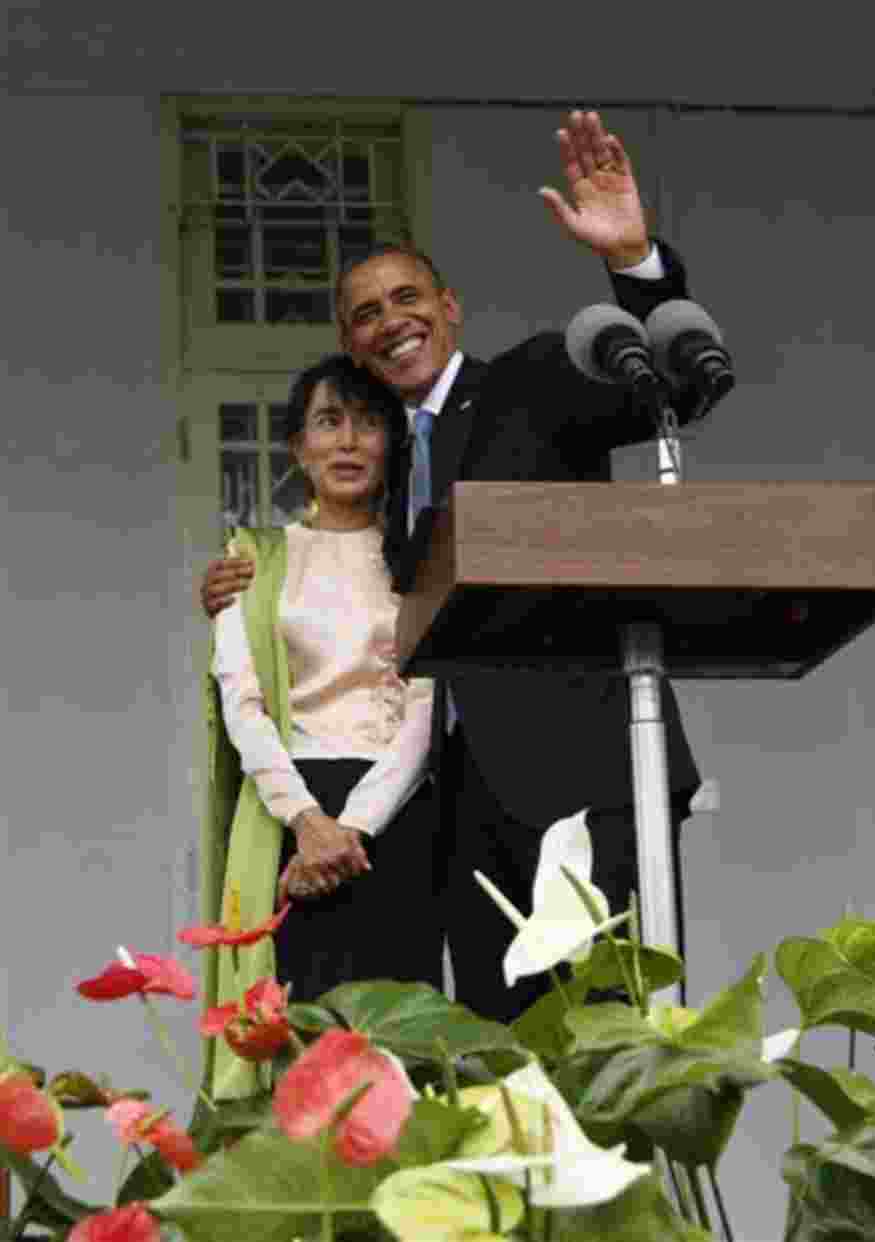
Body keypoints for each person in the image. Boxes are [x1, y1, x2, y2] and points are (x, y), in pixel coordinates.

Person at [202, 110, 704, 1023]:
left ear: (450, 308)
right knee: (500, 1065)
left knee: (616, 1047)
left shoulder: (530, 384)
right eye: (365, 316)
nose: (389, 323)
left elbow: (668, 384)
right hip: (454, 804)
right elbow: (344, 582)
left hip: (581, 773)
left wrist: (632, 259)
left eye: (406, 299)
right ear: (353, 347)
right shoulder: (381, 474)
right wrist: (246, 584)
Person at [204, 354, 442, 1098]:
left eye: (367, 422)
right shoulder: (254, 559)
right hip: (289, 819)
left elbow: (426, 706)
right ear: (297, 448)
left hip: (396, 822)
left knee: (398, 1058)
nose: (347, 442)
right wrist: (308, 822)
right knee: (298, 1055)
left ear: (392, 443)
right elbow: (242, 702)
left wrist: (354, 828)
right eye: (328, 422)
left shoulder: (422, 560)